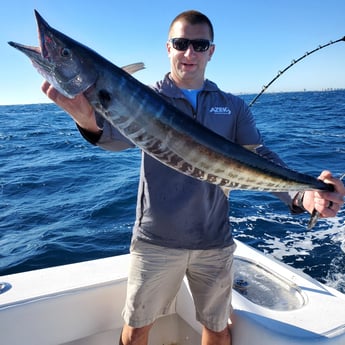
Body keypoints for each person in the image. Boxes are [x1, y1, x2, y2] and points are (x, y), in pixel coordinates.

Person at [41, 10, 345, 345]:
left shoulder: (233, 107)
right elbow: (113, 138)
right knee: (136, 331)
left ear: (210, 51)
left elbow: (258, 159)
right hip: (156, 240)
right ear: (167, 48)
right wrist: (87, 120)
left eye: (199, 45)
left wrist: (306, 195)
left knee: (217, 328)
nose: (190, 53)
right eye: (181, 43)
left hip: (214, 241)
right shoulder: (143, 96)